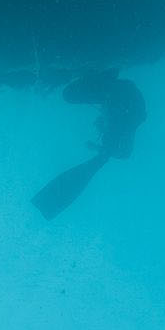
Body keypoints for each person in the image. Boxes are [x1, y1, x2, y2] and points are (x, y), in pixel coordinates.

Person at [31, 69, 147, 219]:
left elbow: (122, 149)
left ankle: (103, 74)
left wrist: (103, 134)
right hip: (119, 94)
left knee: (70, 95)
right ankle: (104, 72)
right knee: (69, 95)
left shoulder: (120, 129)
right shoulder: (123, 125)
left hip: (118, 96)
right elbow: (124, 150)